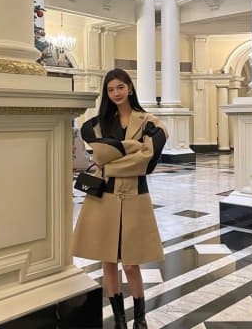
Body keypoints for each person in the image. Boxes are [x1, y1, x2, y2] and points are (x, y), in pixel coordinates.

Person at [72, 68, 168, 329]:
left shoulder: (149, 122)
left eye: (120, 87)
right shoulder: (98, 124)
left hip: (135, 196)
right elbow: (100, 156)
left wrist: (113, 164)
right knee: (108, 261)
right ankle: (119, 321)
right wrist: (132, 150)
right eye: (111, 89)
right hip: (104, 198)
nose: (116, 93)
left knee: (131, 264)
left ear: (130, 88)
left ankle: (140, 319)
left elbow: (147, 161)